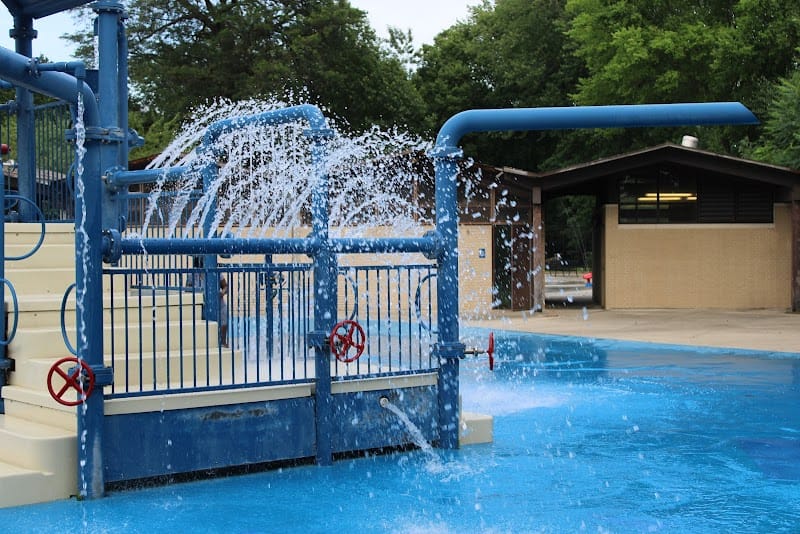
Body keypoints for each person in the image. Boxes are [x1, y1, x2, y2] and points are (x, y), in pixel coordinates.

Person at [219, 276, 229, 348]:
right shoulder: (192, 275)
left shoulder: (217, 274)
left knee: (224, 323)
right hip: (202, 305)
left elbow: (226, 287)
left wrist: (222, 293)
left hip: (219, 304)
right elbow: (188, 290)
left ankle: (223, 343)